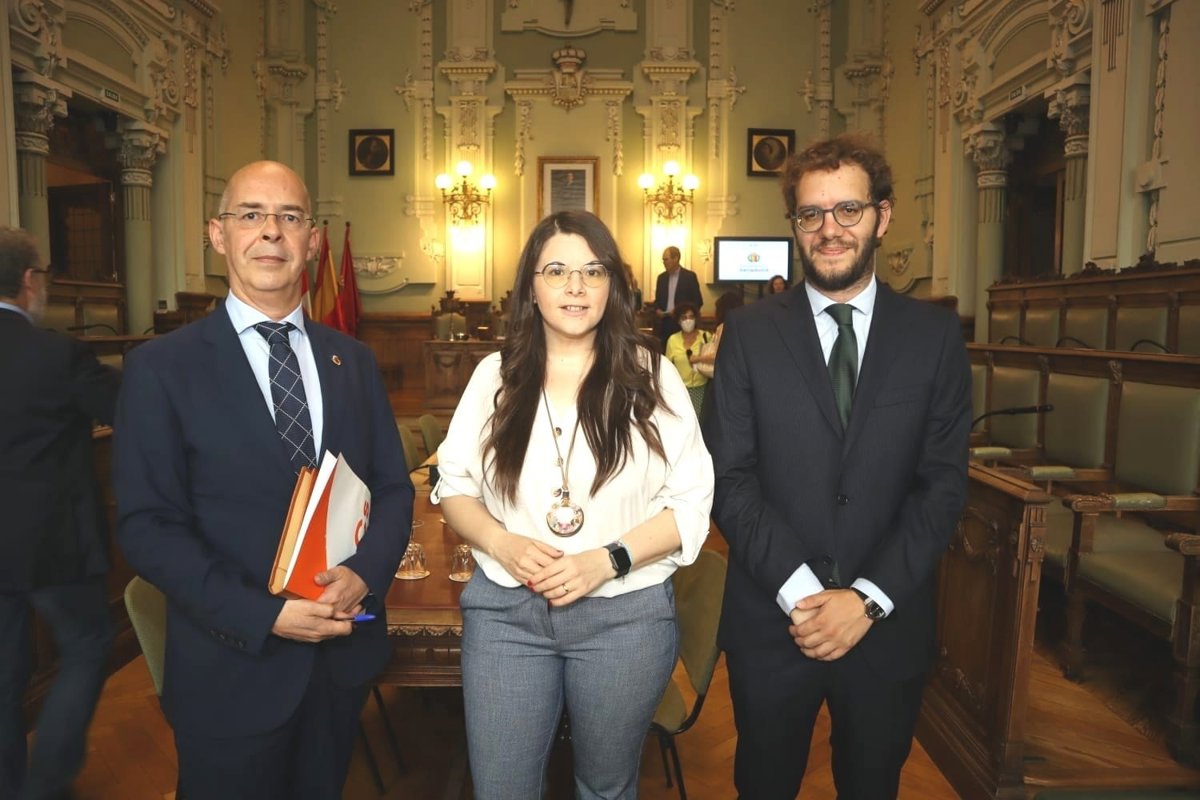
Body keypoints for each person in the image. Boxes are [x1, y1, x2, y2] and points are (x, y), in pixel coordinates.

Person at [113, 160, 414, 800]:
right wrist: (264, 614)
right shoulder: (161, 369)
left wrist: (366, 573)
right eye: (251, 214)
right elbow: (148, 527)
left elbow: (393, 486)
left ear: (312, 239)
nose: (271, 231)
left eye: (289, 217)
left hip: (339, 665)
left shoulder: (353, 361)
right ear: (218, 234)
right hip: (230, 669)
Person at [703, 134, 971, 799]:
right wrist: (803, 594)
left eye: (848, 209)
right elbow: (729, 478)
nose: (830, 229)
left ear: (882, 216)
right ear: (795, 224)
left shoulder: (935, 337)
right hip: (774, 621)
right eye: (811, 213)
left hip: (887, 624)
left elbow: (941, 487)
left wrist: (866, 599)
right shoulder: (749, 333)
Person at [434, 210, 713, 799]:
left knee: (605, 787)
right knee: (502, 789)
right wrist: (501, 543)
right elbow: (454, 486)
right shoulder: (494, 377)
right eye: (556, 271)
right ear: (531, 288)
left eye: (593, 271)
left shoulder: (653, 377)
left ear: (613, 285)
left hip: (626, 616)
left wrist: (606, 560)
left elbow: (691, 505)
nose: (576, 286)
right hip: (507, 614)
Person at [0, 228, 120, 800]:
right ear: (30, 280)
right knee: (89, 644)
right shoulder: (55, 353)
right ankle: (44, 785)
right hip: (54, 546)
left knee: (3, 678)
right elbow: (126, 406)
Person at [664, 302, 711, 418]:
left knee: (701, 421)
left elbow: (714, 359)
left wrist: (700, 358)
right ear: (678, 321)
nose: (688, 320)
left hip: (702, 389)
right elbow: (667, 367)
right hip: (680, 390)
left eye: (691, 317)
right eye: (684, 317)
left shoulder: (705, 336)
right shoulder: (672, 340)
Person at [653, 245, 703, 348]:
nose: (664, 262)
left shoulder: (689, 277)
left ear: (675, 258)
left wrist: (682, 313)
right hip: (664, 323)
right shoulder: (661, 278)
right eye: (663, 260)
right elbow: (657, 300)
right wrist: (657, 309)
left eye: (666, 259)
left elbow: (698, 301)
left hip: (683, 323)